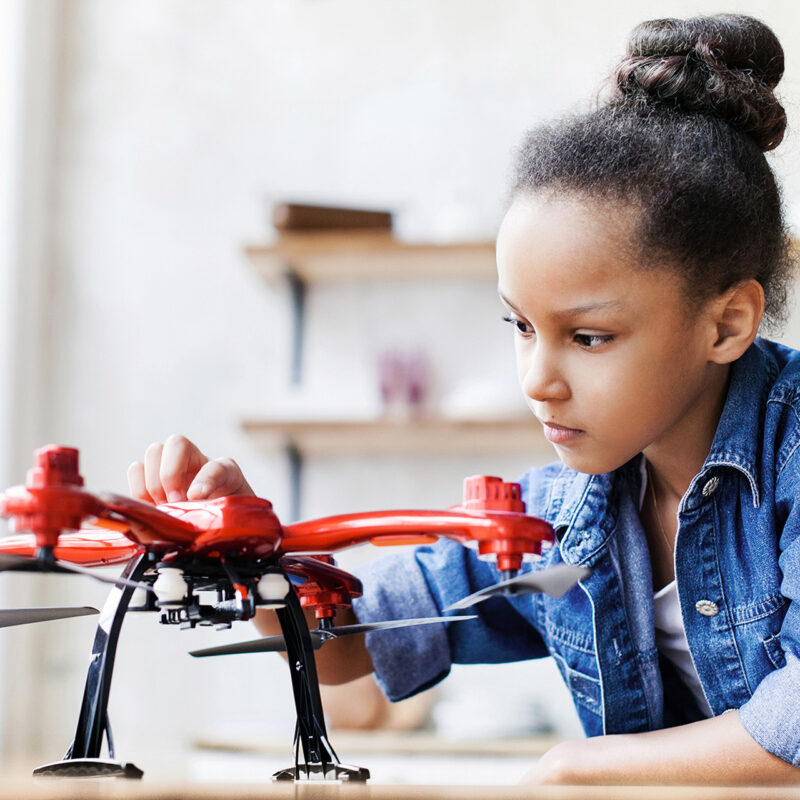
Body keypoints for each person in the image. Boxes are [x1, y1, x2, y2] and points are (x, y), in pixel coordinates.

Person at [128, 14, 800, 785]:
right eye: (520, 326)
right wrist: (241, 549)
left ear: (728, 322)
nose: (537, 379)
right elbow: (351, 637)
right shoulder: (559, 513)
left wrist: (578, 770)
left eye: (587, 337)